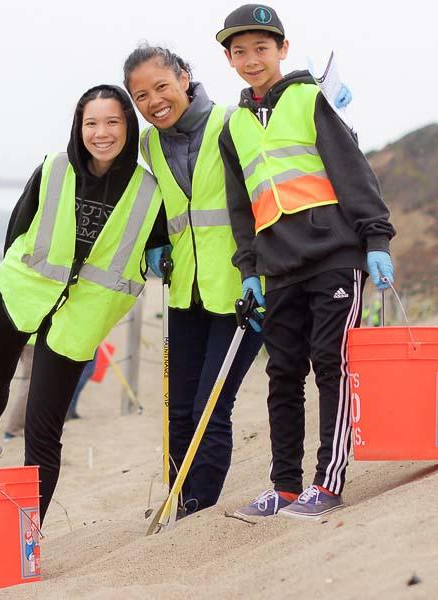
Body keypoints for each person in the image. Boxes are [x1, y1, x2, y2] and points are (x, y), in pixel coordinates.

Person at [0, 84, 165, 522]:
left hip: (81, 315)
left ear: (129, 126)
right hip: (20, 291)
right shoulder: (53, 168)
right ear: (78, 126)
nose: (101, 133)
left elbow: (156, 250)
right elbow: (17, 231)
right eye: (91, 123)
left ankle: (27, 532)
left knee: (43, 427)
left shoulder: (150, 191)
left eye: (112, 122)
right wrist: (13, 283)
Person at [215, 4, 395, 519]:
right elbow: (240, 207)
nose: (252, 59)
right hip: (278, 268)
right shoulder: (233, 128)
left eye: (261, 48)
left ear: (283, 49)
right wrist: (249, 270)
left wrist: (376, 240)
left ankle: (329, 482)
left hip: (335, 255)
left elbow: (352, 171)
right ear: (228, 59)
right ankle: (286, 486)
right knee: (283, 375)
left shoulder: (310, 99)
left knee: (331, 365)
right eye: (240, 51)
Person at [123, 44, 265, 516]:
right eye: (140, 95)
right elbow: (158, 206)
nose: (154, 101)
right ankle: (177, 496)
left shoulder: (233, 122)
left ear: (184, 77)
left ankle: (199, 505)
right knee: (178, 407)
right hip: (185, 293)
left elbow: (267, 195)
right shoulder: (147, 144)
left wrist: (260, 271)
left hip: (243, 291)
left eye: (161, 86)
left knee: (209, 405)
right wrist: (153, 242)